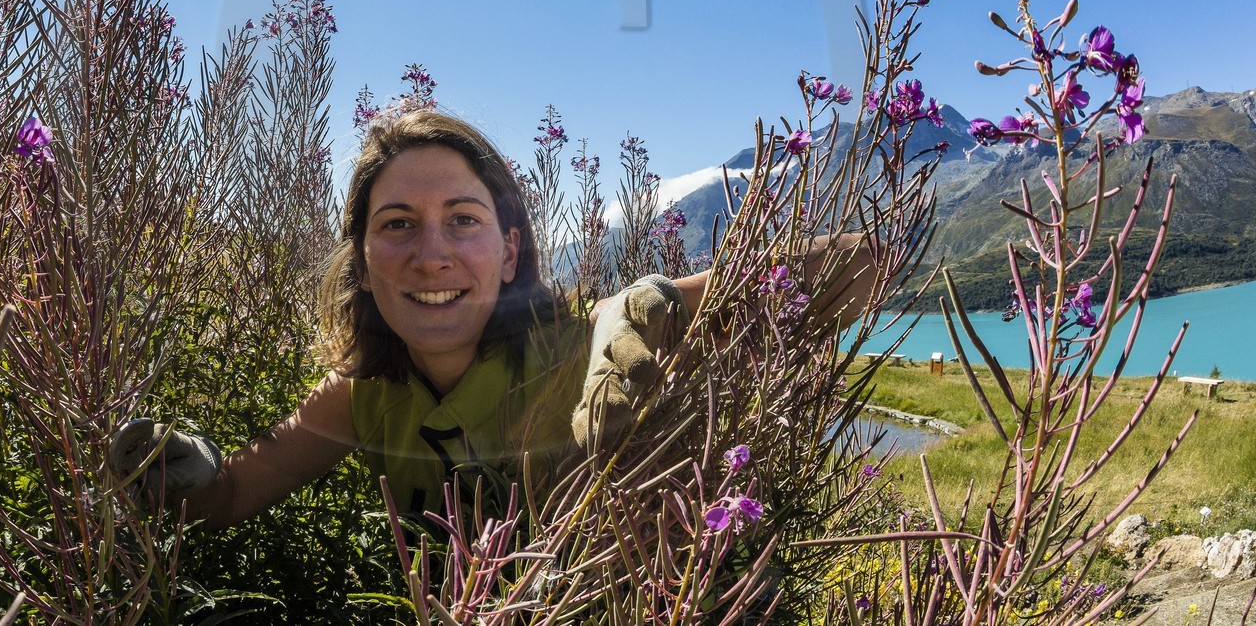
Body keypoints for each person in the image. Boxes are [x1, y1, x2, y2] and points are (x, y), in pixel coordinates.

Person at [110, 109, 873, 527]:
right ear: (363, 264)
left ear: (510, 252)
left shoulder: (583, 343)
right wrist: (185, 473)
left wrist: (655, 301)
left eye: (463, 220)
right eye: (398, 224)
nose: (431, 255)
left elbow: (863, 265)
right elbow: (230, 498)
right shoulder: (361, 398)